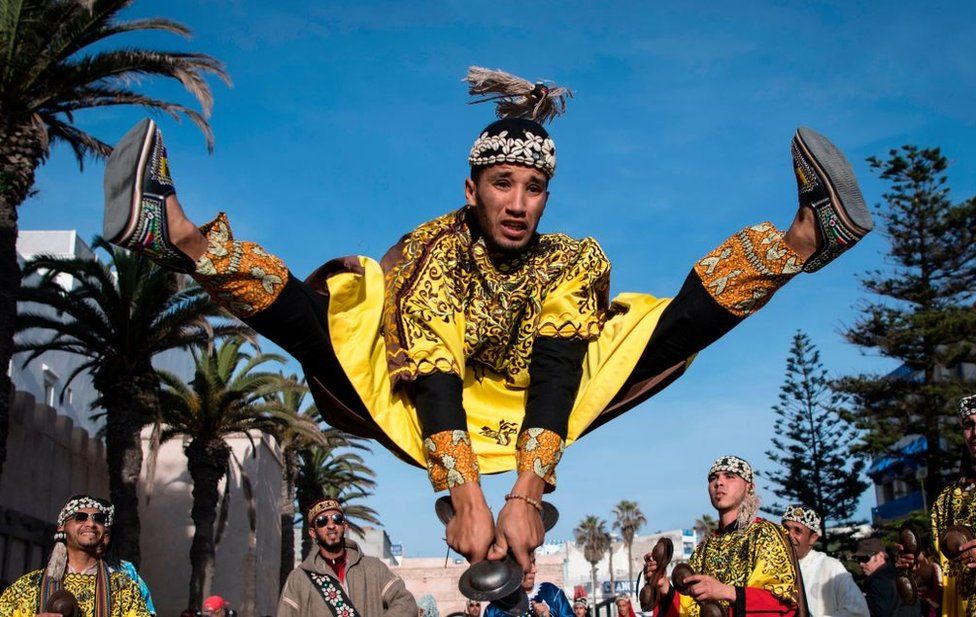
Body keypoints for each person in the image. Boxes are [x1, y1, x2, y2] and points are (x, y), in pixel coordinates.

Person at [102, 66, 872, 576]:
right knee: (323, 321)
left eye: (534, 187)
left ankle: (809, 237)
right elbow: (432, 375)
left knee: (662, 330)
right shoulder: (438, 250)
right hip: (434, 408)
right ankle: (177, 232)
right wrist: (471, 497)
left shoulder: (571, 258)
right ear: (471, 189)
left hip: (535, 397)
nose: (517, 202)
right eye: (502, 183)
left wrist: (526, 494)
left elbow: (559, 368)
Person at [643, 456, 804, 616]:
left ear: (750, 487)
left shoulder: (766, 534)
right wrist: (663, 585)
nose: (719, 482)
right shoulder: (704, 549)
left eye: (729, 476)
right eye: (713, 478)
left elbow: (783, 603)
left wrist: (727, 592)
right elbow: (689, 610)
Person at [0, 495, 150, 617]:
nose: (91, 523)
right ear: (62, 527)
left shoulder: (123, 589)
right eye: (81, 517)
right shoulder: (29, 586)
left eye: (98, 519)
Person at [277, 497, 417, 617]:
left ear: (345, 526)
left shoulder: (374, 568)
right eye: (322, 521)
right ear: (313, 533)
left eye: (337, 519)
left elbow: (406, 603)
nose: (331, 525)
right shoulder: (299, 578)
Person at [781, 505, 868, 617]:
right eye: (786, 529)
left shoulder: (831, 567)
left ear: (813, 538)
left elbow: (858, 612)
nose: (789, 535)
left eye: (798, 531)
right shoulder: (770, 566)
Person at [854, 538, 919, 617]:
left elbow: (878, 613)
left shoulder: (879, 581)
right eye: (858, 559)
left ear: (880, 556)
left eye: (864, 559)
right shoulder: (898, 573)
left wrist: (861, 601)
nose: (860, 564)